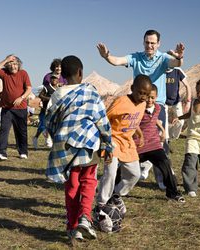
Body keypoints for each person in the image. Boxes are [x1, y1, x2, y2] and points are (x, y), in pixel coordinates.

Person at [45, 55, 113, 241]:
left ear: (62, 76)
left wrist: (56, 138)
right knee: (89, 180)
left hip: (66, 148)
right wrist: (108, 143)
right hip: (88, 145)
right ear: (80, 73)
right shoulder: (90, 92)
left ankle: (72, 226)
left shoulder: (57, 94)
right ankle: (85, 217)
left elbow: (50, 122)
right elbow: (102, 120)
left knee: (72, 185)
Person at [97, 29, 185, 131]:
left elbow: (176, 63)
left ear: (158, 44)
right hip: (138, 103)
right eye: (147, 42)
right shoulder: (136, 57)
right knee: (138, 138)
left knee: (157, 138)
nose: (149, 45)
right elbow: (117, 61)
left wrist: (179, 57)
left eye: (153, 43)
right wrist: (107, 56)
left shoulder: (163, 58)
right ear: (143, 42)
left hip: (157, 104)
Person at [95, 74, 152, 215]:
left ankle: (116, 195)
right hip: (113, 140)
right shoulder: (121, 101)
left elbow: (134, 121)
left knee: (135, 174)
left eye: (146, 94)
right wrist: (103, 140)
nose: (143, 97)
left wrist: (140, 134)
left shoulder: (143, 104)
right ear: (132, 89)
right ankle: (102, 204)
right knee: (111, 173)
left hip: (127, 143)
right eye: (140, 93)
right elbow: (105, 118)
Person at [134, 84, 185, 202]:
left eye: (152, 97)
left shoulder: (157, 108)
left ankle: (173, 193)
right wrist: (140, 135)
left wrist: (162, 130)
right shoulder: (138, 109)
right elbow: (134, 123)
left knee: (165, 164)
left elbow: (155, 119)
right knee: (125, 168)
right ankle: (114, 190)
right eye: (147, 97)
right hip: (139, 145)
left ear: (156, 97)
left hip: (154, 144)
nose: (149, 100)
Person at [0, 55, 32, 160]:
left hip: (21, 108)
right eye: (10, 64)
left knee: (21, 131)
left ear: (18, 65)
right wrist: (6, 59)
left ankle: (23, 152)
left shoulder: (23, 73)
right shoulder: (4, 73)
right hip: (7, 108)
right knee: (4, 130)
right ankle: (2, 153)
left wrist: (21, 98)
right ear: (7, 65)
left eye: (15, 64)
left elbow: (29, 88)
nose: (13, 66)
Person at [174, 78, 200, 198]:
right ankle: (190, 187)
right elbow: (190, 114)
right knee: (189, 163)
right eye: (197, 91)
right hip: (192, 137)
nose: (199, 94)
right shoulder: (194, 102)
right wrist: (180, 117)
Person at [32, 73, 59, 149]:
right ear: (50, 80)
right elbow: (40, 95)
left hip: (54, 111)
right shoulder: (47, 88)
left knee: (50, 127)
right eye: (52, 78)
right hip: (45, 110)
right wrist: (49, 98)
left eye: (55, 79)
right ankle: (43, 140)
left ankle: (39, 138)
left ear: (57, 80)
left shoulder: (59, 89)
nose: (54, 80)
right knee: (43, 126)